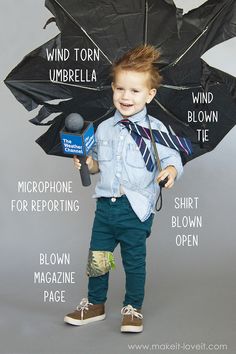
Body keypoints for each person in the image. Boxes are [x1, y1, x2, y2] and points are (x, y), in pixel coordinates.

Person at [64, 45, 183, 333]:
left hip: (136, 208)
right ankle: (95, 303)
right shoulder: (103, 128)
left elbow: (173, 158)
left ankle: (132, 307)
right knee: (98, 257)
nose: (126, 97)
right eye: (120, 89)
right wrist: (88, 164)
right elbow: (98, 167)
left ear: (150, 94)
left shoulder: (156, 130)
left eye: (134, 91)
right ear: (113, 89)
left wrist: (170, 172)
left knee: (133, 261)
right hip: (106, 206)